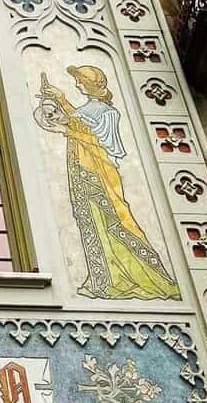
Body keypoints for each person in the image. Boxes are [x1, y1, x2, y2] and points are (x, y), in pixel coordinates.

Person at [35, 65, 179, 300]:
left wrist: (67, 128)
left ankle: (146, 278)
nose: (78, 84)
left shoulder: (107, 113)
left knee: (116, 223)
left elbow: (100, 143)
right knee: (92, 225)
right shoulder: (88, 109)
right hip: (83, 174)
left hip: (100, 175)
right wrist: (60, 100)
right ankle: (102, 280)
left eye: (80, 80)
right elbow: (76, 121)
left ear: (91, 84)